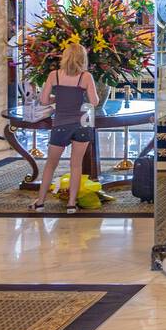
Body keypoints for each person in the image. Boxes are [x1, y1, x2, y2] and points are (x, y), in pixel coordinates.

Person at [31, 41, 100, 215]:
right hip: (82, 124)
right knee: (75, 165)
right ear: (82, 59)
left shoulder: (55, 75)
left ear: (65, 57)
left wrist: (58, 98)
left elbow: (44, 100)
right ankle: (71, 204)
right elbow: (94, 102)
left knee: (50, 165)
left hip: (61, 124)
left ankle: (40, 202)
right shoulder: (85, 77)